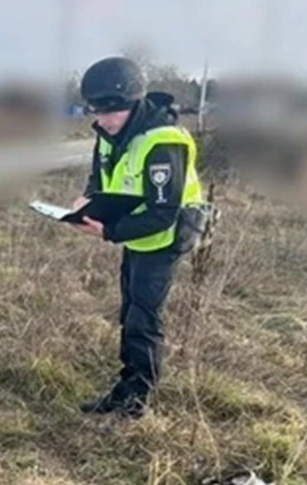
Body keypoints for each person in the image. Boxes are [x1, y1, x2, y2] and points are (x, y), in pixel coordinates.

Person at [70, 55, 205, 419]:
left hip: (164, 238)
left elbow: (163, 214)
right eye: (94, 111)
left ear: (131, 104)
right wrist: (88, 198)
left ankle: (136, 402)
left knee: (144, 319)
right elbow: (100, 175)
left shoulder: (163, 143)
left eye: (107, 112)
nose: (100, 120)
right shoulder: (111, 133)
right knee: (129, 310)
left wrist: (109, 230)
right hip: (135, 235)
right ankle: (126, 386)